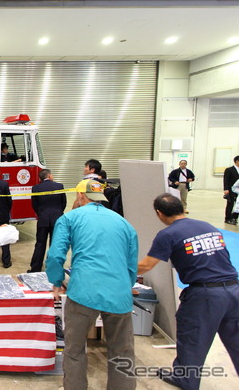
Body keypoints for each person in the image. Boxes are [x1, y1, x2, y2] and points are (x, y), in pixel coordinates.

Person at [138, 194, 239, 390]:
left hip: (205, 296)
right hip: (234, 290)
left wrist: (119, 269)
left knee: (193, 338)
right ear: (182, 208)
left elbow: (146, 266)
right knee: (236, 340)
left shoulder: (168, 234)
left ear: (159, 213)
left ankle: (186, 379)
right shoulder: (207, 226)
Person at [46, 179, 138, 390]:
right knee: (122, 351)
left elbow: (55, 256)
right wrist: (125, 285)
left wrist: (57, 282)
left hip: (84, 292)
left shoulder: (69, 218)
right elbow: (132, 265)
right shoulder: (124, 223)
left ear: (80, 196)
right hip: (120, 295)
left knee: (75, 349)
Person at [29, 169, 66, 272]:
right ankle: (53, 268)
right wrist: (58, 212)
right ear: (50, 176)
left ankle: (35, 269)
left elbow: (34, 204)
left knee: (40, 244)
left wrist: (41, 214)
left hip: (43, 219)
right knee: (55, 244)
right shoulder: (59, 186)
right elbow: (63, 202)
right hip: (57, 219)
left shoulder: (35, 188)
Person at [223, 155, 239, 225]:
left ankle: (234, 218)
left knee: (238, 205)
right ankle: (228, 218)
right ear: (236, 161)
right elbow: (226, 180)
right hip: (231, 190)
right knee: (230, 204)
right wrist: (226, 189)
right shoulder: (229, 170)